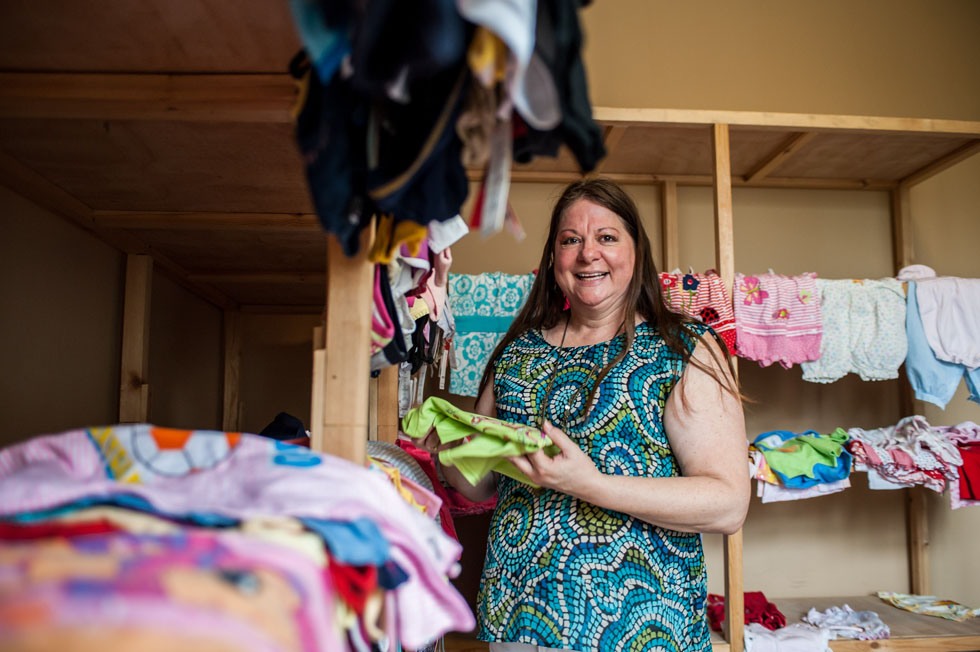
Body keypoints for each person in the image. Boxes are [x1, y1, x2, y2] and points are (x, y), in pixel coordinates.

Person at [427, 178, 749, 651]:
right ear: (554, 257)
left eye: (607, 237)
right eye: (571, 239)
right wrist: (450, 453)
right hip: (519, 622)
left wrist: (590, 484)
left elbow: (727, 504)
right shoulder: (518, 354)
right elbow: (481, 486)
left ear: (636, 251)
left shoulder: (683, 349)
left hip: (643, 630)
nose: (587, 254)